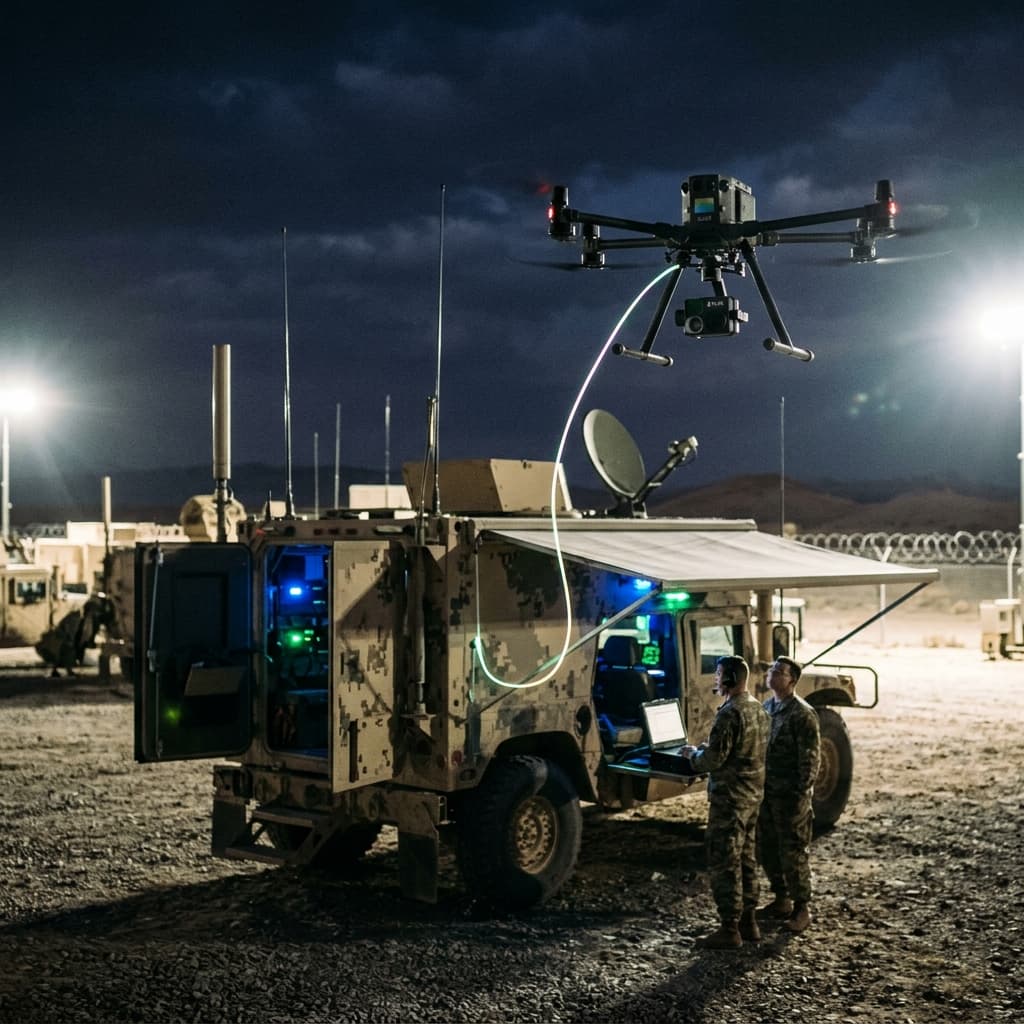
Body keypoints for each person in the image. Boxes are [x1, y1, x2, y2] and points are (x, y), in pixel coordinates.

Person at [681, 655, 770, 949]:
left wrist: (693, 755)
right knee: (746, 858)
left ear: (730, 678)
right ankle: (749, 922)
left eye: (719, 674)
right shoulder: (758, 708)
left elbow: (713, 759)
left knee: (725, 862)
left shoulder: (729, 713)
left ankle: (729, 929)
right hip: (751, 796)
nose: (715, 680)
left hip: (730, 800)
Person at [757, 656, 821, 933]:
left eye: (779, 672)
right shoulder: (767, 707)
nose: (772, 674)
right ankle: (781, 899)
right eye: (772, 669)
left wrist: (799, 796)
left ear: (792, 680)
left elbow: (810, 761)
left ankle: (801, 908)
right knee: (767, 849)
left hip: (791, 798)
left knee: (793, 853)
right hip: (767, 795)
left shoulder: (803, 714)